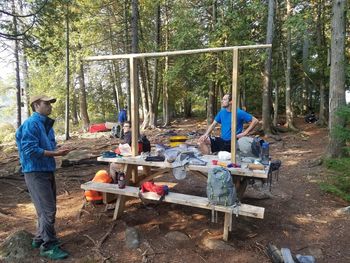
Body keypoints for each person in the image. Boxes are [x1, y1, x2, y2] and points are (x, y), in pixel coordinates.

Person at [15, 95, 72, 260]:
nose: (50, 106)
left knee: (44, 209)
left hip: (47, 170)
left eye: (50, 103)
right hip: (35, 172)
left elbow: (48, 145)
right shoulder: (31, 124)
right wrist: (56, 153)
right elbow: (30, 150)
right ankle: (48, 246)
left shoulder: (46, 124)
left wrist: (60, 148)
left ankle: (40, 238)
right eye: (46, 103)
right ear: (36, 105)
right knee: (48, 210)